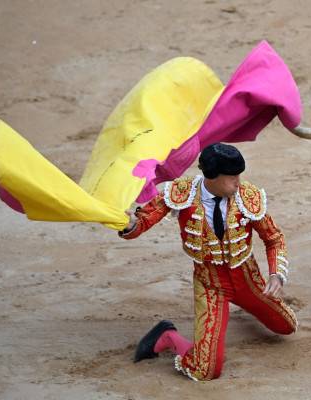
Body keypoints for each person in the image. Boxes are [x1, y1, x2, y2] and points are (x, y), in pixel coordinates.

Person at [119, 143, 295, 381]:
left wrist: (276, 274)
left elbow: (273, 238)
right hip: (210, 284)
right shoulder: (183, 193)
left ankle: (248, 307)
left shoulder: (246, 195)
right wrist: (130, 225)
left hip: (248, 280)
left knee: (287, 326)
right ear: (212, 176)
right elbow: (143, 220)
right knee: (206, 370)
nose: (238, 182)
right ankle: (167, 336)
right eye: (232, 177)